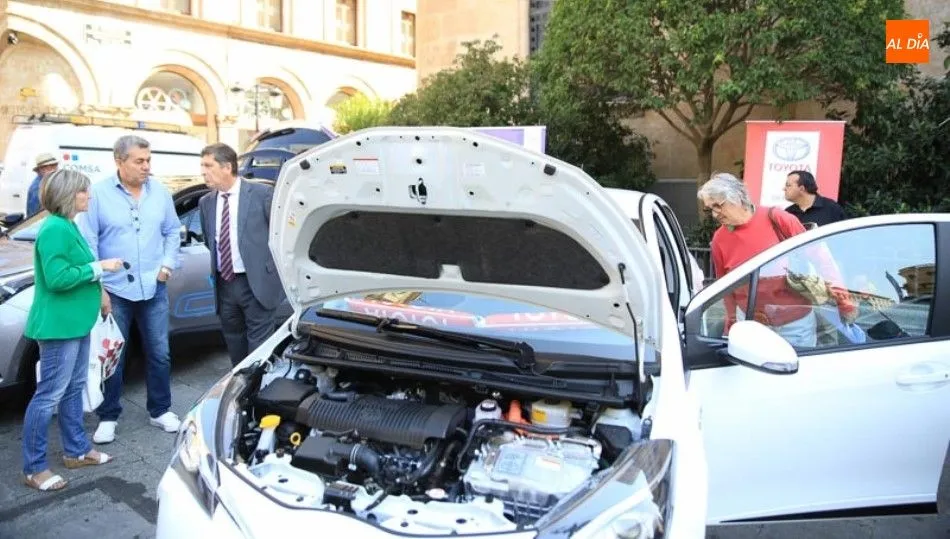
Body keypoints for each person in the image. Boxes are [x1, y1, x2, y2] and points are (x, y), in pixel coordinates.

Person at [22, 169, 124, 491]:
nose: (89, 197)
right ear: (69, 194)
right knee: (48, 395)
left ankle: (76, 451)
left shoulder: (66, 224)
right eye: (83, 192)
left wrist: (100, 292)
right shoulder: (55, 228)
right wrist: (100, 267)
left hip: (75, 322)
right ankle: (34, 468)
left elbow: (75, 272)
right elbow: (57, 278)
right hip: (58, 326)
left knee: (72, 388)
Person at [78, 135, 181, 444]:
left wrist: (167, 264)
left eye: (148, 160)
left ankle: (160, 410)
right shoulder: (97, 194)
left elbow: (172, 230)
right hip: (115, 290)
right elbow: (88, 243)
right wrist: (99, 289)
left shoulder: (160, 192)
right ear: (119, 161)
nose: (146, 166)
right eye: (139, 161)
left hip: (154, 286)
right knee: (114, 356)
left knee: (160, 353)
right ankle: (108, 416)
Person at [698, 172, 856, 348]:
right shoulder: (719, 240)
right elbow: (725, 287)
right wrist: (732, 320)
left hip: (795, 324)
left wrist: (844, 301)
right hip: (752, 326)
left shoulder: (778, 219)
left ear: (737, 197)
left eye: (718, 206)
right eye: (709, 209)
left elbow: (822, 259)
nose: (714, 214)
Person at [198, 143, 285, 366]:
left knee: (259, 348)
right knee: (234, 343)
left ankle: (257, 390)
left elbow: (280, 235)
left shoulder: (261, 194)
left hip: (256, 283)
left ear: (227, 167)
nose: (203, 171)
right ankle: (239, 387)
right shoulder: (206, 202)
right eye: (202, 166)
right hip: (225, 284)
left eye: (208, 165)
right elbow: (211, 240)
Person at [26, 153, 59, 218]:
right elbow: (35, 216)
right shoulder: (38, 187)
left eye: (54, 166)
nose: (54, 169)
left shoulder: (48, 182)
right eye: (49, 167)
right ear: (40, 170)